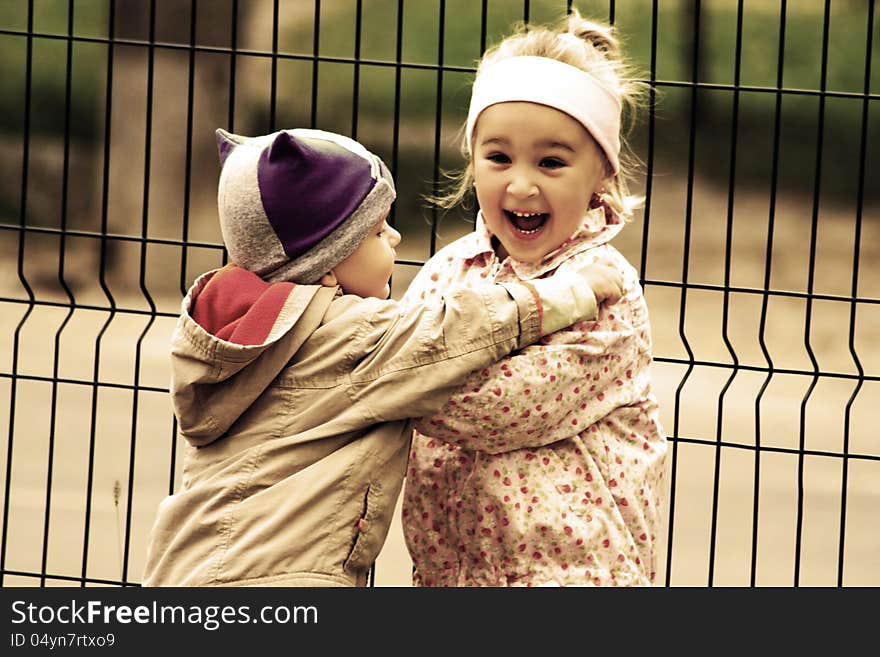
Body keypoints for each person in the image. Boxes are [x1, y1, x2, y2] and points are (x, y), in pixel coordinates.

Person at [141, 126, 624, 587]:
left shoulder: (238, 333)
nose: (394, 238)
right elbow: (455, 331)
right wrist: (571, 292)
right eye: (376, 231)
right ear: (324, 264)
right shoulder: (349, 336)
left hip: (186, 567)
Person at [399, 10, 668, 586]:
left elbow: (503, 408)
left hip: (574, 573)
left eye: (551, 162)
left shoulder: (604, 288)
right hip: (453, 574)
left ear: (600, 173)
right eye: (498, 158)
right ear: (472, 162)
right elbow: (398, 353)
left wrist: (391, 387)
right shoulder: (450, 271)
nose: (521, 185)